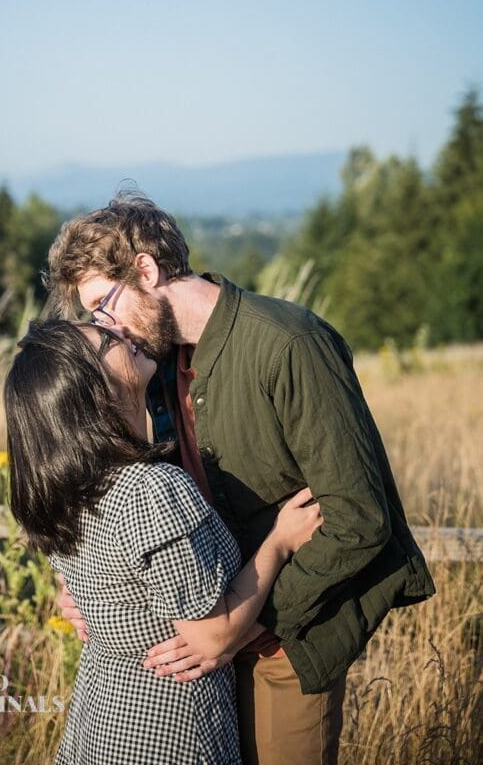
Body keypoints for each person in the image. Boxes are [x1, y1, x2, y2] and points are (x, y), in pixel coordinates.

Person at [45, 191, 436, 765]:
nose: (104, 330)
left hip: (285, 643)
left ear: (147, 271)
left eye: (105, 304)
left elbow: (359, 521)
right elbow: (119, 498)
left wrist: (246, 628)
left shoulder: (290, 344)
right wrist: (85, 587)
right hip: (206, 638)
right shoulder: (147, 366)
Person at [4, 317, 323, 765]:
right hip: (168, 728)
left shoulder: (66, 490)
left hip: (102, 716)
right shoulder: (149, 489)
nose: (121, 333)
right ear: (95, 389)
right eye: (108, 341)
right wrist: (280, 541)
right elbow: (212, 637)